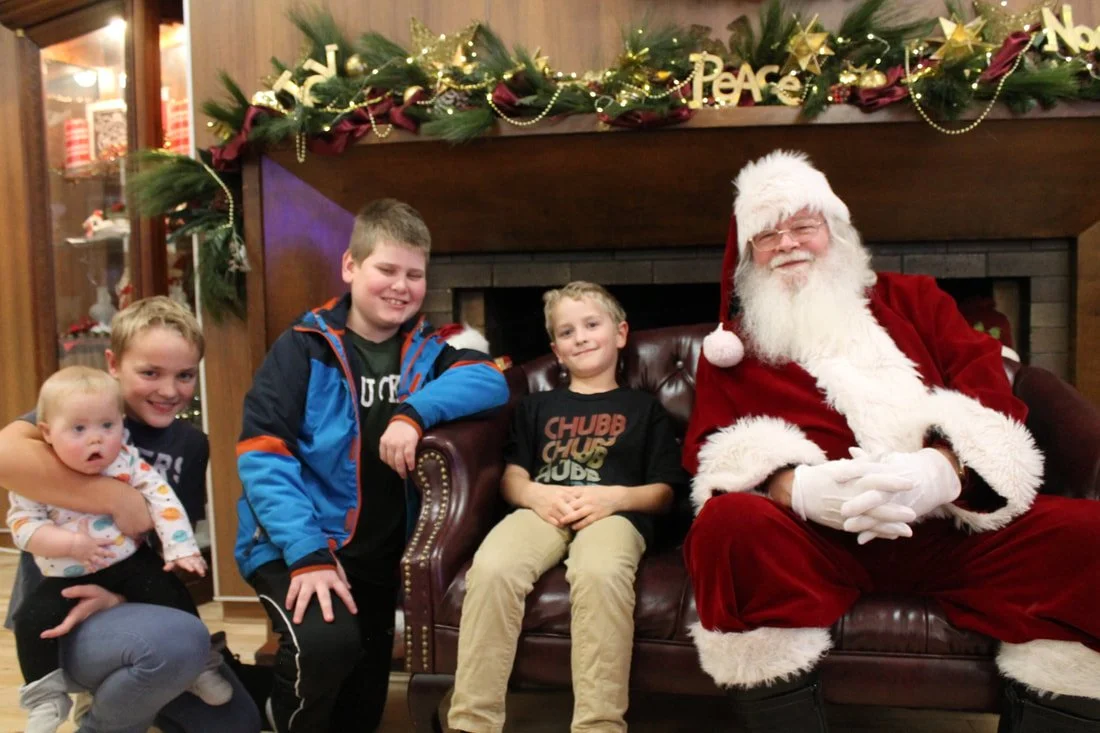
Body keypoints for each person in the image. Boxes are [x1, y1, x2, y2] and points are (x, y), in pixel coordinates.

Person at [681, 150, 1100, 733]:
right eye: (767, 235)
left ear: (835, 230)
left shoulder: (917, 299)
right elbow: (714, 446)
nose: (788, 244)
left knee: (1090, 539)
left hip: (951, 528)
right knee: (726, 530)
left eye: (804, 226)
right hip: (816, 542)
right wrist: (795, 488)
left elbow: (988, 388)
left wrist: (944, 470)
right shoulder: (733, 346)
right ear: (749, 254)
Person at [236, 198, 509, 733]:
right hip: (299, 544)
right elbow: (263, 458)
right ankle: (275, 719)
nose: (400, 286)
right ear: (351, 266)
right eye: (386, 269)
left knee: (362, 706)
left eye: (414, 274)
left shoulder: (431, 350)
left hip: (378, 560)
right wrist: (308, 555)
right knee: (325, 649)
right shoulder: (303, 348)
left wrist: (413, 411)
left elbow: (490, 379)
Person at [0, 296, 261, 733]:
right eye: (150, 373)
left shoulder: (191, 445)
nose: (168, 390)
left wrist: (118, 599)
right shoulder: (79, 413)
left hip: (136, 594)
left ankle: (130, 692)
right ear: (113, 363)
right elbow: (6, 456)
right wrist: (114, 498)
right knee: (172, 648)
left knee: (235, 723)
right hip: (60, 609)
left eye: (184, 376)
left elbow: (167, 553)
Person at [446, 281, 686, 733]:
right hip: (541, 509)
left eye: (592, 325)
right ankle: (471, 722)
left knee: (599, 574)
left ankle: (598, 724)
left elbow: (664, 491)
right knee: (494, 568)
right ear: (556, 350)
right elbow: (513, 476)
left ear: (620, 333)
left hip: (614, 515)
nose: (581, 337)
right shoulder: (537, 406)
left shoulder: (643, 408)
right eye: (568, 332)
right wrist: (535, 495)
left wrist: (613, 497)